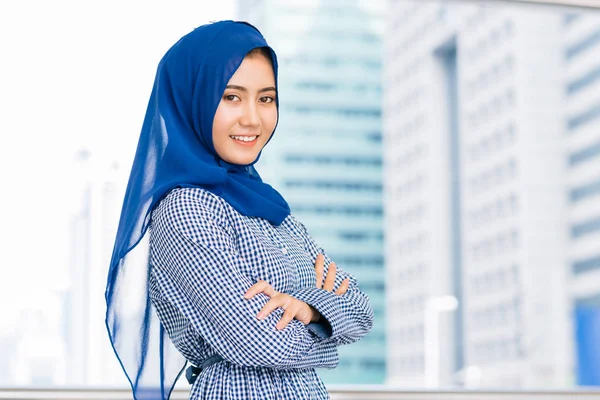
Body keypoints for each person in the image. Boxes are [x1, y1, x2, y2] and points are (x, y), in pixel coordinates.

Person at [105, 20, 374, 400]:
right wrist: (327, 327)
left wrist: (309, 310)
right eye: (231, 97)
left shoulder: (271, 209)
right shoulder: (186, 209)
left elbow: (361, 309)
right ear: (193, 99)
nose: (252, 118)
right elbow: (262, 343)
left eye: (266, 98)